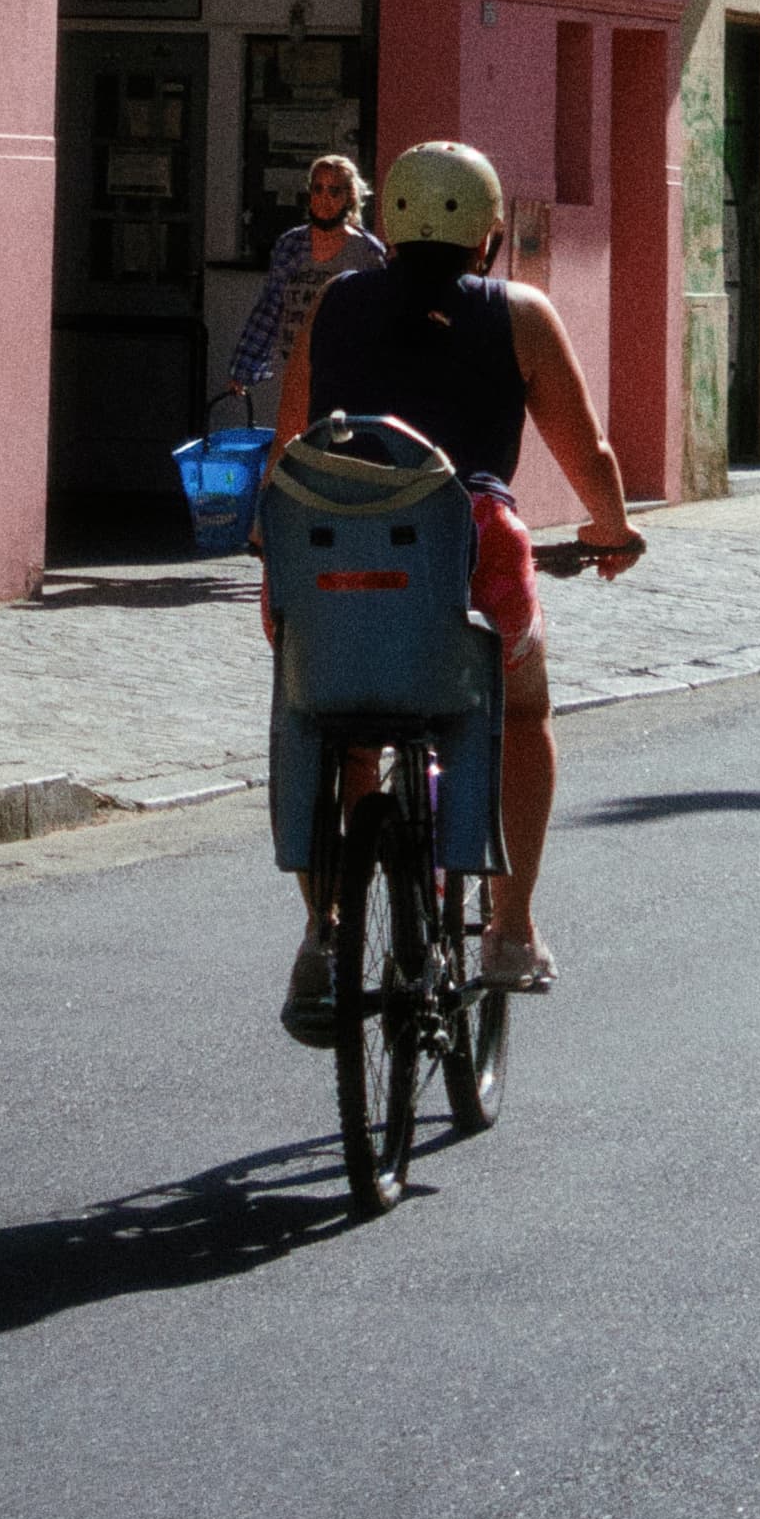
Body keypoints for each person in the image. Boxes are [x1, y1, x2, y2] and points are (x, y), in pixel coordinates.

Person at [273, 133, 639, 1013]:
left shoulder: (336, 306)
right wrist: (614, 529)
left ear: (388, 221)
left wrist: (265, 543)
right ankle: (510, 929)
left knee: (331, 723)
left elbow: (292, 440)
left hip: (331, 553)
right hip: (467, 549)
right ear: (490, 234)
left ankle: (324, 927)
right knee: (522, 711)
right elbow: (584, 449)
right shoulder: (518, 313)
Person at [219, 147, 382, 429]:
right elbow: (271, 308)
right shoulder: (291, 245)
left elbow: (379, 317)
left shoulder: (365, 251)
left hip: (343, 369)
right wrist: (243, 367)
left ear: (349, 197)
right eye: (318, 189)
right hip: (294, 365)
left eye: (334, 191)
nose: (325, 199)